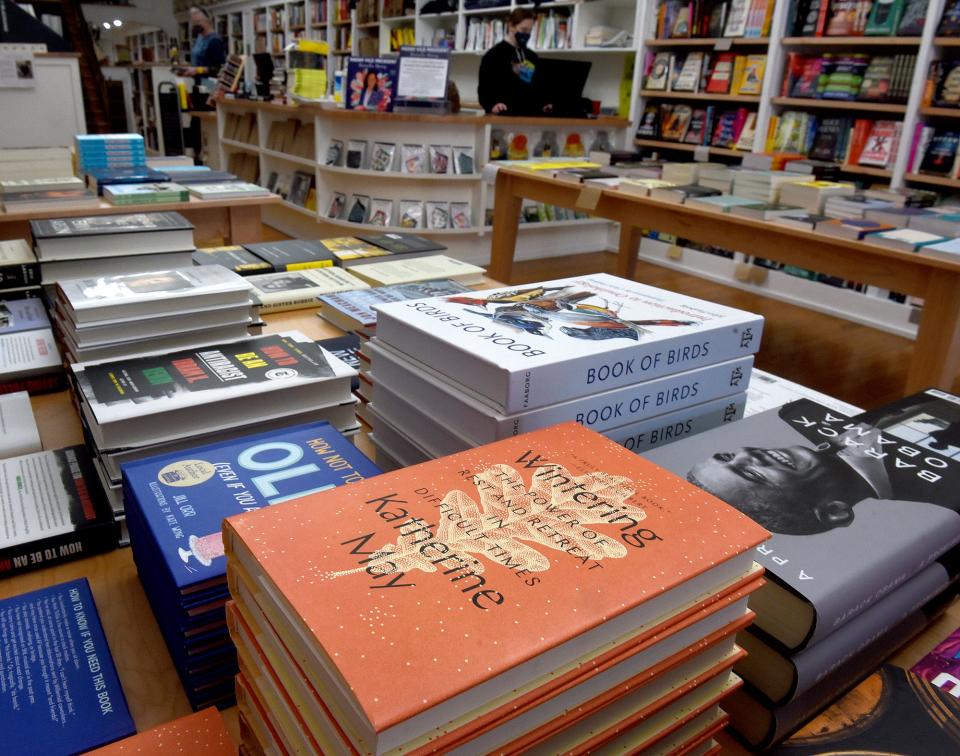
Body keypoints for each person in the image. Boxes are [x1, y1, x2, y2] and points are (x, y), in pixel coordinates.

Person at [685, 400, 960, 535]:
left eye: (727, 456)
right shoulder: (945, 488)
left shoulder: (796, 414)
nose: (746, 452)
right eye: (751, 474)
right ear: (835, 511)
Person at [477, 9, 552, 116]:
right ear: (511, 26)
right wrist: (493, 105)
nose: (526, 34)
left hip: (531, 116)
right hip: (504, 117)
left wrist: (545, 103)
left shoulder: (532, 56)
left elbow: (538, 88)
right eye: (523, 29)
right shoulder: (492, 56)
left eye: (529, 31)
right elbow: (484, 91)